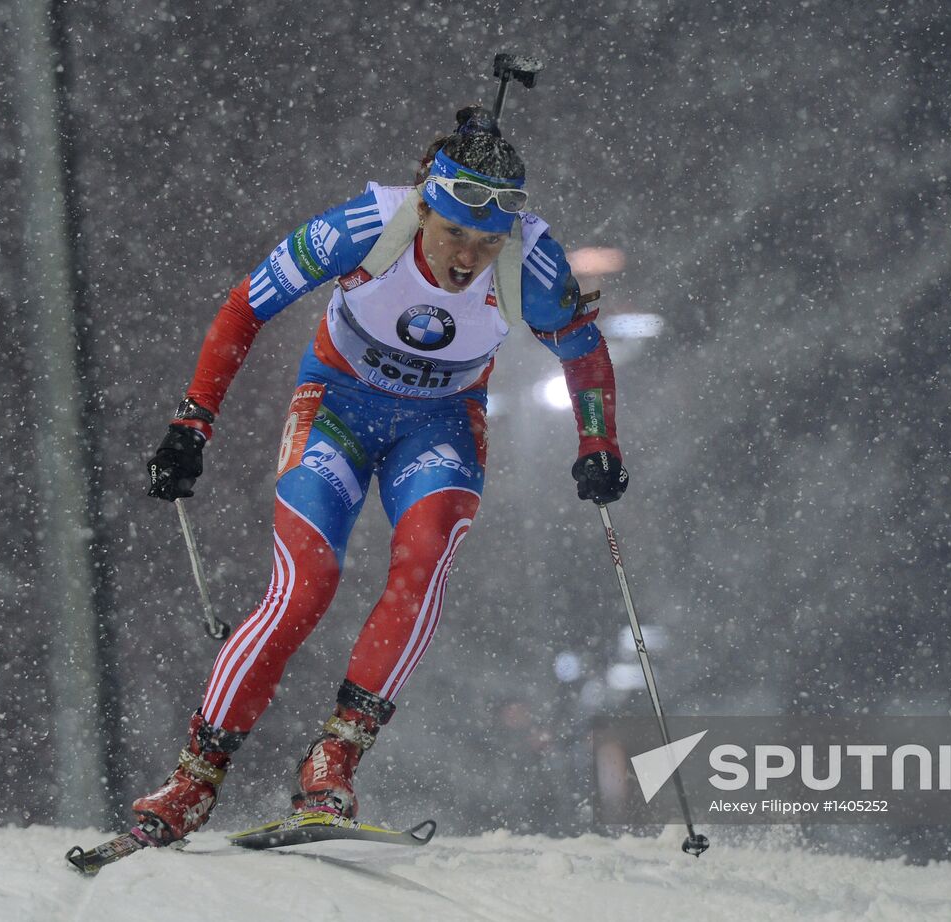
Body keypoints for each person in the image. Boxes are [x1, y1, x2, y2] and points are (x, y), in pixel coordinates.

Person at [132, 105, 628, 845]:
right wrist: (191, 423)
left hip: (441, 421)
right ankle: (193, 781)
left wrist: (599, 444)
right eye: (454, 231)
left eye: (487, 241)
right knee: (304, 587)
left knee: (423, 561)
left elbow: (583, 351)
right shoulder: (367, 226)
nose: (467, 256)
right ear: (424, 205)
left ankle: (332, 763)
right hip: (336, 403)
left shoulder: (536, 260)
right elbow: (246, 305)